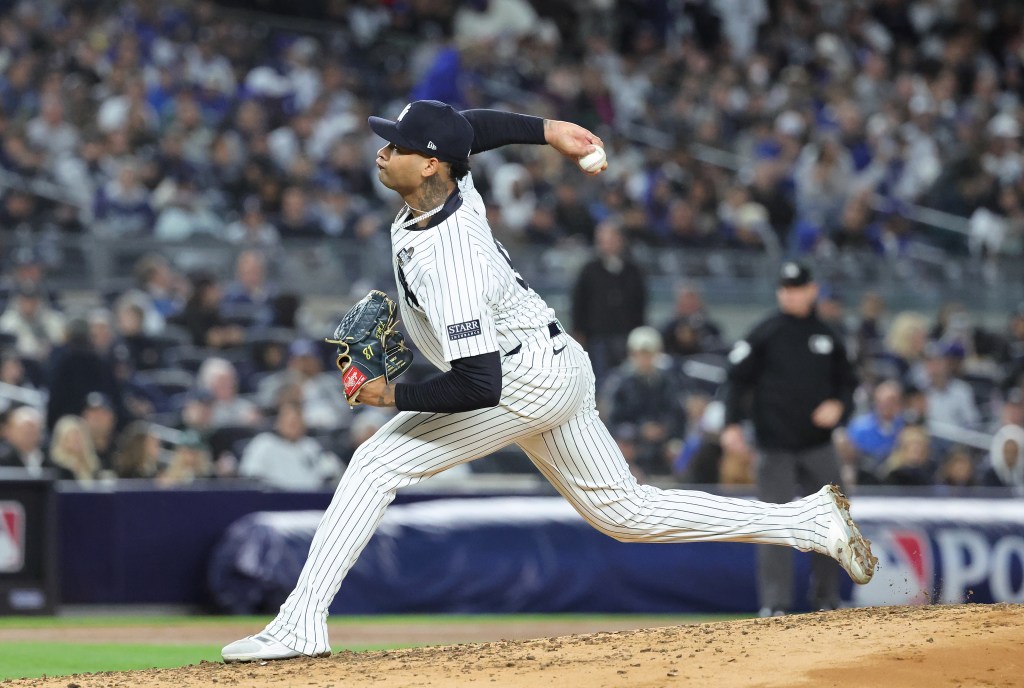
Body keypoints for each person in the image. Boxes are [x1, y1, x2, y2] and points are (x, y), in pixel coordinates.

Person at [222, 101, 876, 663]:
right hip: (552, 361)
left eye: (396, 144)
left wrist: (390, 395)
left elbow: (478, 384)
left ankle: (301, 624)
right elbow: (468, 126)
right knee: (627, 513)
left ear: (428, 165)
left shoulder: (455, 260)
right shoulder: (454, 182)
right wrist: (552, 128)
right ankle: (809, 522)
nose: (382, 150)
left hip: (519, 377)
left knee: (374, 463)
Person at [720, 260, 859, 617]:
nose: (791, 294)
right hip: (774, 446)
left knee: (835, 520)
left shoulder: (828, 335)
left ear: (812, 290)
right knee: (774, 525)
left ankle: (828, 600)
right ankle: (775, 604)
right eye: (785, 288)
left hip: (818, 445)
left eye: (797, 288)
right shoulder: (765, 332)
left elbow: (848, 383)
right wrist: (731, 423)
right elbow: (736, 377)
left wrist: (838, 405)